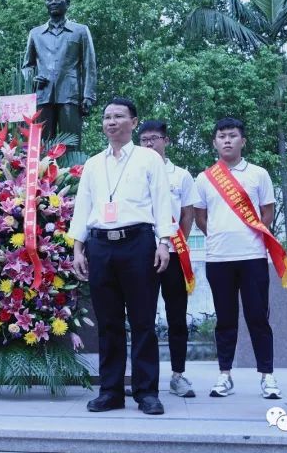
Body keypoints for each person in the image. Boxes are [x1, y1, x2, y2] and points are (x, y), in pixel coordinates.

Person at [69, 97, 173, 415]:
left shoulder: (148, 159)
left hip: (138, 243)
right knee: (109, 323)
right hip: (100, 247)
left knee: (142, 321)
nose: (111, 122)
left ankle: (146, 392)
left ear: (134, 122)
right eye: (106, 117)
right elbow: (83, 206)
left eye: (118, 116)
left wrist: (164, 242)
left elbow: (161, 200)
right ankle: (111, 391)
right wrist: (77, 247)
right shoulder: (93, 164)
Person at [193, 117, 282, 400]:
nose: (227, 140)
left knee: (258, 317)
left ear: (243, 141)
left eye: (233, 135)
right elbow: (200, 217)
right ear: (215, 142)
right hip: (219, 258)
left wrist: (249, 236)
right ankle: (224, 375)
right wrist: (222, 235)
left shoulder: (259, 174)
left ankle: (267, 376)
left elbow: (266, 213)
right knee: (225, 319)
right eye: (222, 136)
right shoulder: (205, 178)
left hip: (253, 256)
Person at [138, 120, 199, 398]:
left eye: (154, 138)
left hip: (173, 254)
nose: (149, 144)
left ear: (166, 140)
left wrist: (177, 242)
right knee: (142, 318)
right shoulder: (134, 171)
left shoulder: (182, 175)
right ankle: (143, 377)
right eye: (144, 140)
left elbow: (187, 213)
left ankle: (178, 375)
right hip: (140, 255)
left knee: (176, 317)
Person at [22, 0, 96, 148]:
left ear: (67, 3)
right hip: (42, 95)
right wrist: (32, 78)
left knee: (70, 145)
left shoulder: (81, 31)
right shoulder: (35, 33)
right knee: (42, 145)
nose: (53, 1)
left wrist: (88, 95)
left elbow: (89, 65)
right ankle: (43, 174)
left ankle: (72, 174)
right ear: (46, 4)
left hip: (70, 94)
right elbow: (27, 65)